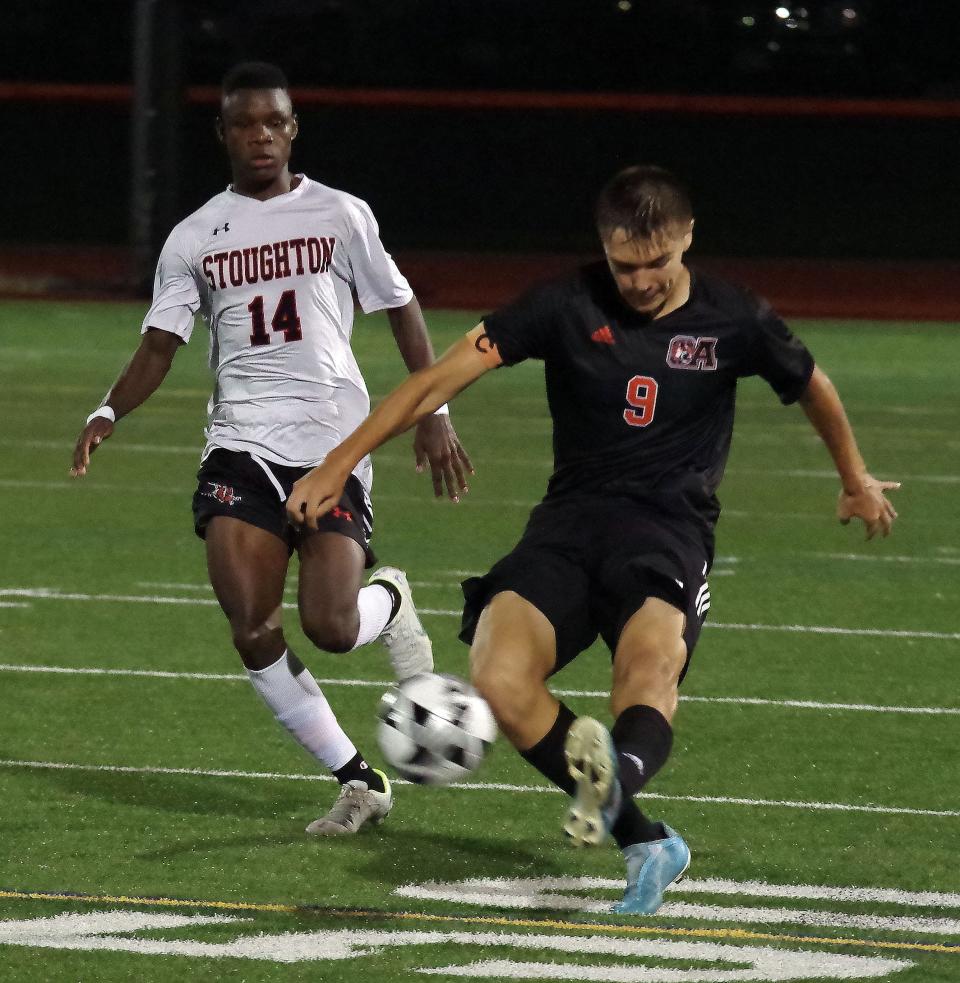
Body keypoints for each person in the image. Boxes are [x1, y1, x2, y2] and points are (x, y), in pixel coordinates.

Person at [284, 164, 899, 912]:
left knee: (646, 675)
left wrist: (856, 478)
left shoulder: (733, 316)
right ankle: (646, 836)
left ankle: (615, 785)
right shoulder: (563, 303)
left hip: (668, 534)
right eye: (624, 264)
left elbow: (812, 384)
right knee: (499, 677)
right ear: (602, 249)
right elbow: (438, 379)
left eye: (657, 263)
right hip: (568, 527)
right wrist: (339, 461)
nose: (640, 280)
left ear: (687, 238)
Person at [69, 61, 471, 837]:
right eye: (245, 124)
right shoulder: (194, 235)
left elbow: (401, 304)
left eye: (274, 123)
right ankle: (359, 781)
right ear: (222, 133)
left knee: (329, 625)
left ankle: (389, 604)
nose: (261, 136)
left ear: (293, 129)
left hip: (331, 446)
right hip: (240, 448)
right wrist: (109, 409)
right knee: (251, 626)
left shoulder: (341, 214)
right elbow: (160, 343)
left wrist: (434, 407)